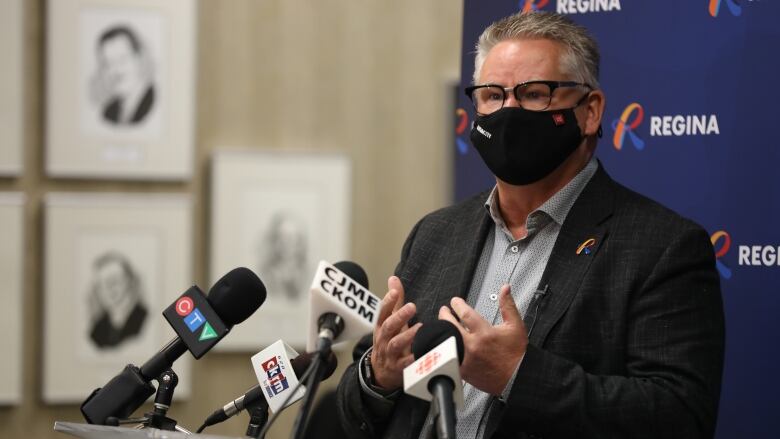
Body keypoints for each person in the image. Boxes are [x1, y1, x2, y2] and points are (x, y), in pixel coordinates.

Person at [336, 11, 725, 439]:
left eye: (535, 94)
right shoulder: (435, 234)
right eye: (492, 95)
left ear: (590, 111)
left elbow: (679, 417)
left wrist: (518, 375)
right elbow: (357, 407)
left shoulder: (662, 247)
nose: (509, 112)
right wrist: (379, 376)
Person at [89, 25, 155, 125]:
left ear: (139, 58)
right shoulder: (108, 112)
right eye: (108, 63)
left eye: (122, 60)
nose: (116, 70)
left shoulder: (153, 100)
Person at [87, 251, 148, 349]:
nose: (107, 288)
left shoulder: (144, 320)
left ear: (129, 280)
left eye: (113, 281)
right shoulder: (98, 330)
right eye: (101, 284)